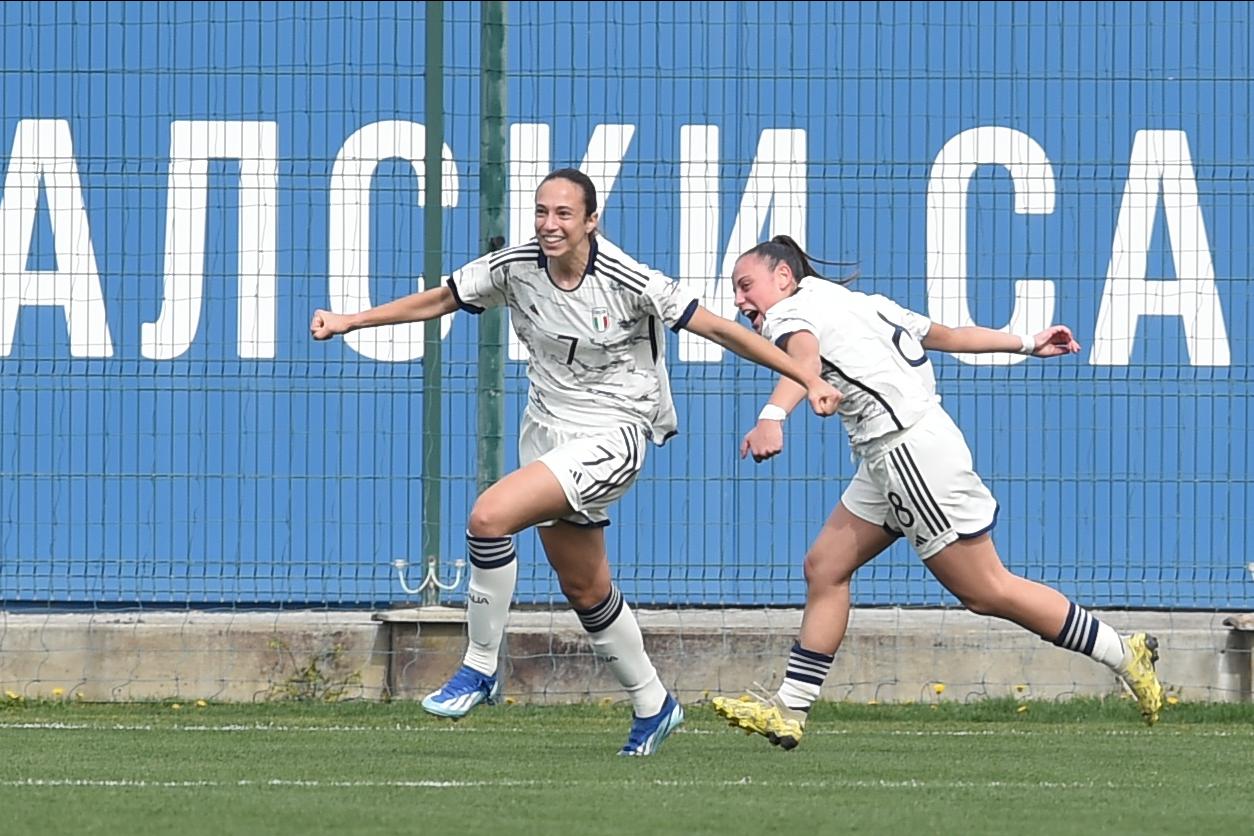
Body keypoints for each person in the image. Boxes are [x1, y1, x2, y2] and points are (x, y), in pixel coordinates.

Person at [311, 171, 840, 756]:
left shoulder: (629, 278)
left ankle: (480, 666)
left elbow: (721, 330)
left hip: (617, 431)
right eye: (541, 212)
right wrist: (351, 321)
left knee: (489, 517)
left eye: (563, 214)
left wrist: (807, 377)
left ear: (591, 221)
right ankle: (654, 704)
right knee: (585, 586)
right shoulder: (514, 266)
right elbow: (442, 298)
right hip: (546, 429)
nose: (548, 225)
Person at [711, 235, 1164, 750]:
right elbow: (945, 335)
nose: (741, 300)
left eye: (747, 286)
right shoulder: (862, 304)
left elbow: (805, 361)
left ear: (785, 279)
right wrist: (1026, 343)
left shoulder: (789, 314)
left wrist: (773, 417)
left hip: (908, 454)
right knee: (825, 567)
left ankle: (1122, 651)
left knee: (985, 589)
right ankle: (788, 711)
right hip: (896, 451)